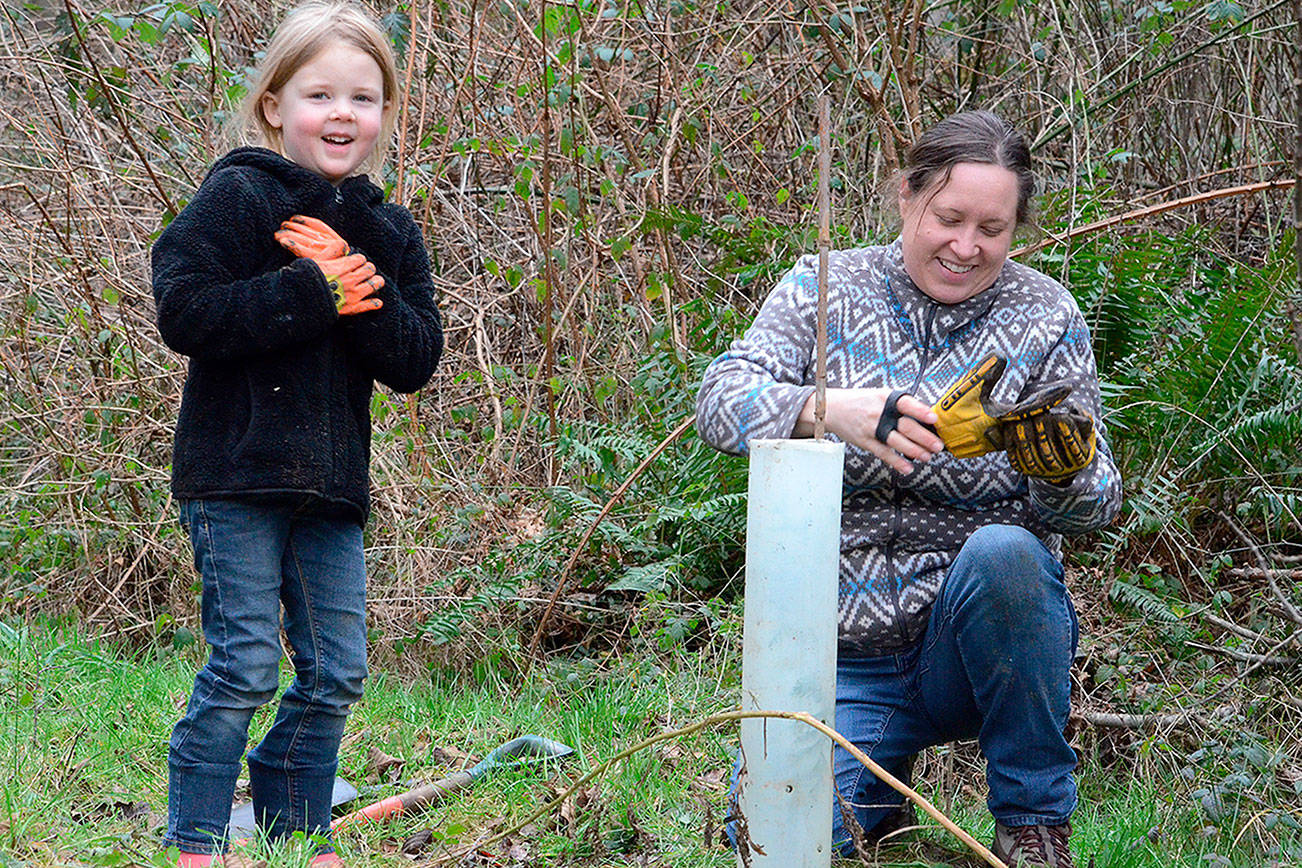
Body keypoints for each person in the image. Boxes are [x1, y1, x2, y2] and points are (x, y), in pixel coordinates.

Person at [696, 110, 1121, 868]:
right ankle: (878, 790)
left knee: (1008, 554)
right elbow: (719, 399)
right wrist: (824, 408)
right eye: (949, 218)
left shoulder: (1045, 316)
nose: (966, 246)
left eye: (992, 228)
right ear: (906, 196)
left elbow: (1097, 507)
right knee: (770, 845)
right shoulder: (824, 287)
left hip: (971, 645)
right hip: (841, 657)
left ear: (1017, 229)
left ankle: (1033, 824)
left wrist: (1063, 467)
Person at [151, 2, 442, 864]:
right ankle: (197, 838)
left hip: (332, 489)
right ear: (275, 104)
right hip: (232, 477)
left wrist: (362, 288)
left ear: (386, 112)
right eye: (320, 94)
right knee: (244, 666)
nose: (343, 113)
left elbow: (416, 359)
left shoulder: (388, 230)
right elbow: (186, 308)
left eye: (364, 96)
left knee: (337, 670)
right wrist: (311, 290)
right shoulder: (240, 194)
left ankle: (295, 828)